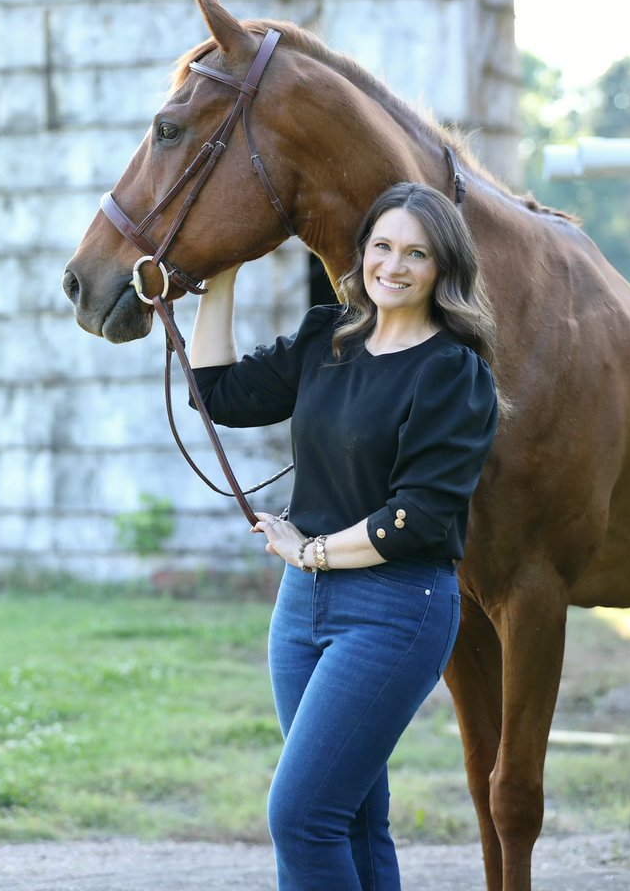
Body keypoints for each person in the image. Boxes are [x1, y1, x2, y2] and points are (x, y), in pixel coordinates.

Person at [189, 183, 500, 891]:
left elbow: (416, 517)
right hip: (302, 610)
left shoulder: (453, 372)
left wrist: (311, 551)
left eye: (415, 254)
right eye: (382, 247)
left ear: (441, 268)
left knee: (300, 817)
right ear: (360, 256)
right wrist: (223, 275)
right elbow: (218, 394)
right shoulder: (325, 337)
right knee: (351, 815)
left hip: (395, 606)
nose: (393, 266)